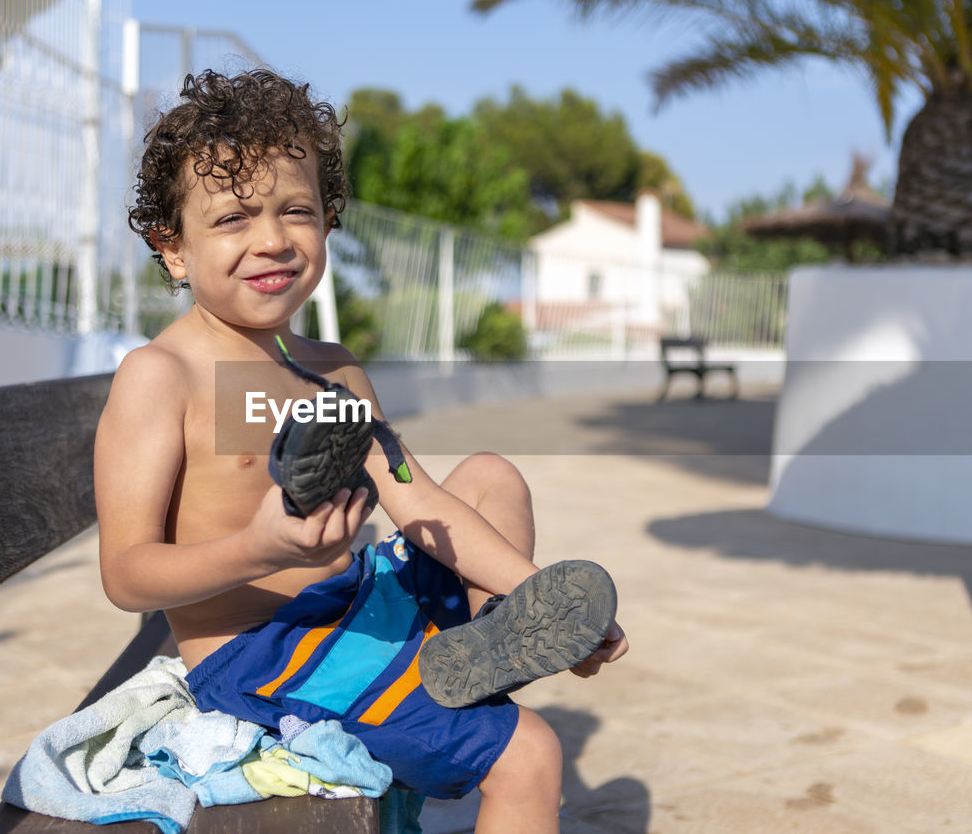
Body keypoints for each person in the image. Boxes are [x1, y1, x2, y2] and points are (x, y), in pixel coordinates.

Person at [94, 68, 628, 832]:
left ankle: (488, 644)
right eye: (234, 218)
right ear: (173, 248)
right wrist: (257, 546)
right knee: (532, 754)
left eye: (296, 211)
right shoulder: (164, 377)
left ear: (328, 222)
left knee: (487, 476)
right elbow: (126, 572)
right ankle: (459, 689)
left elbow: (412, 495)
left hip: (355, 601)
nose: (272, 238)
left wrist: (550, 596)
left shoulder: (335, 370)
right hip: (263, 653)